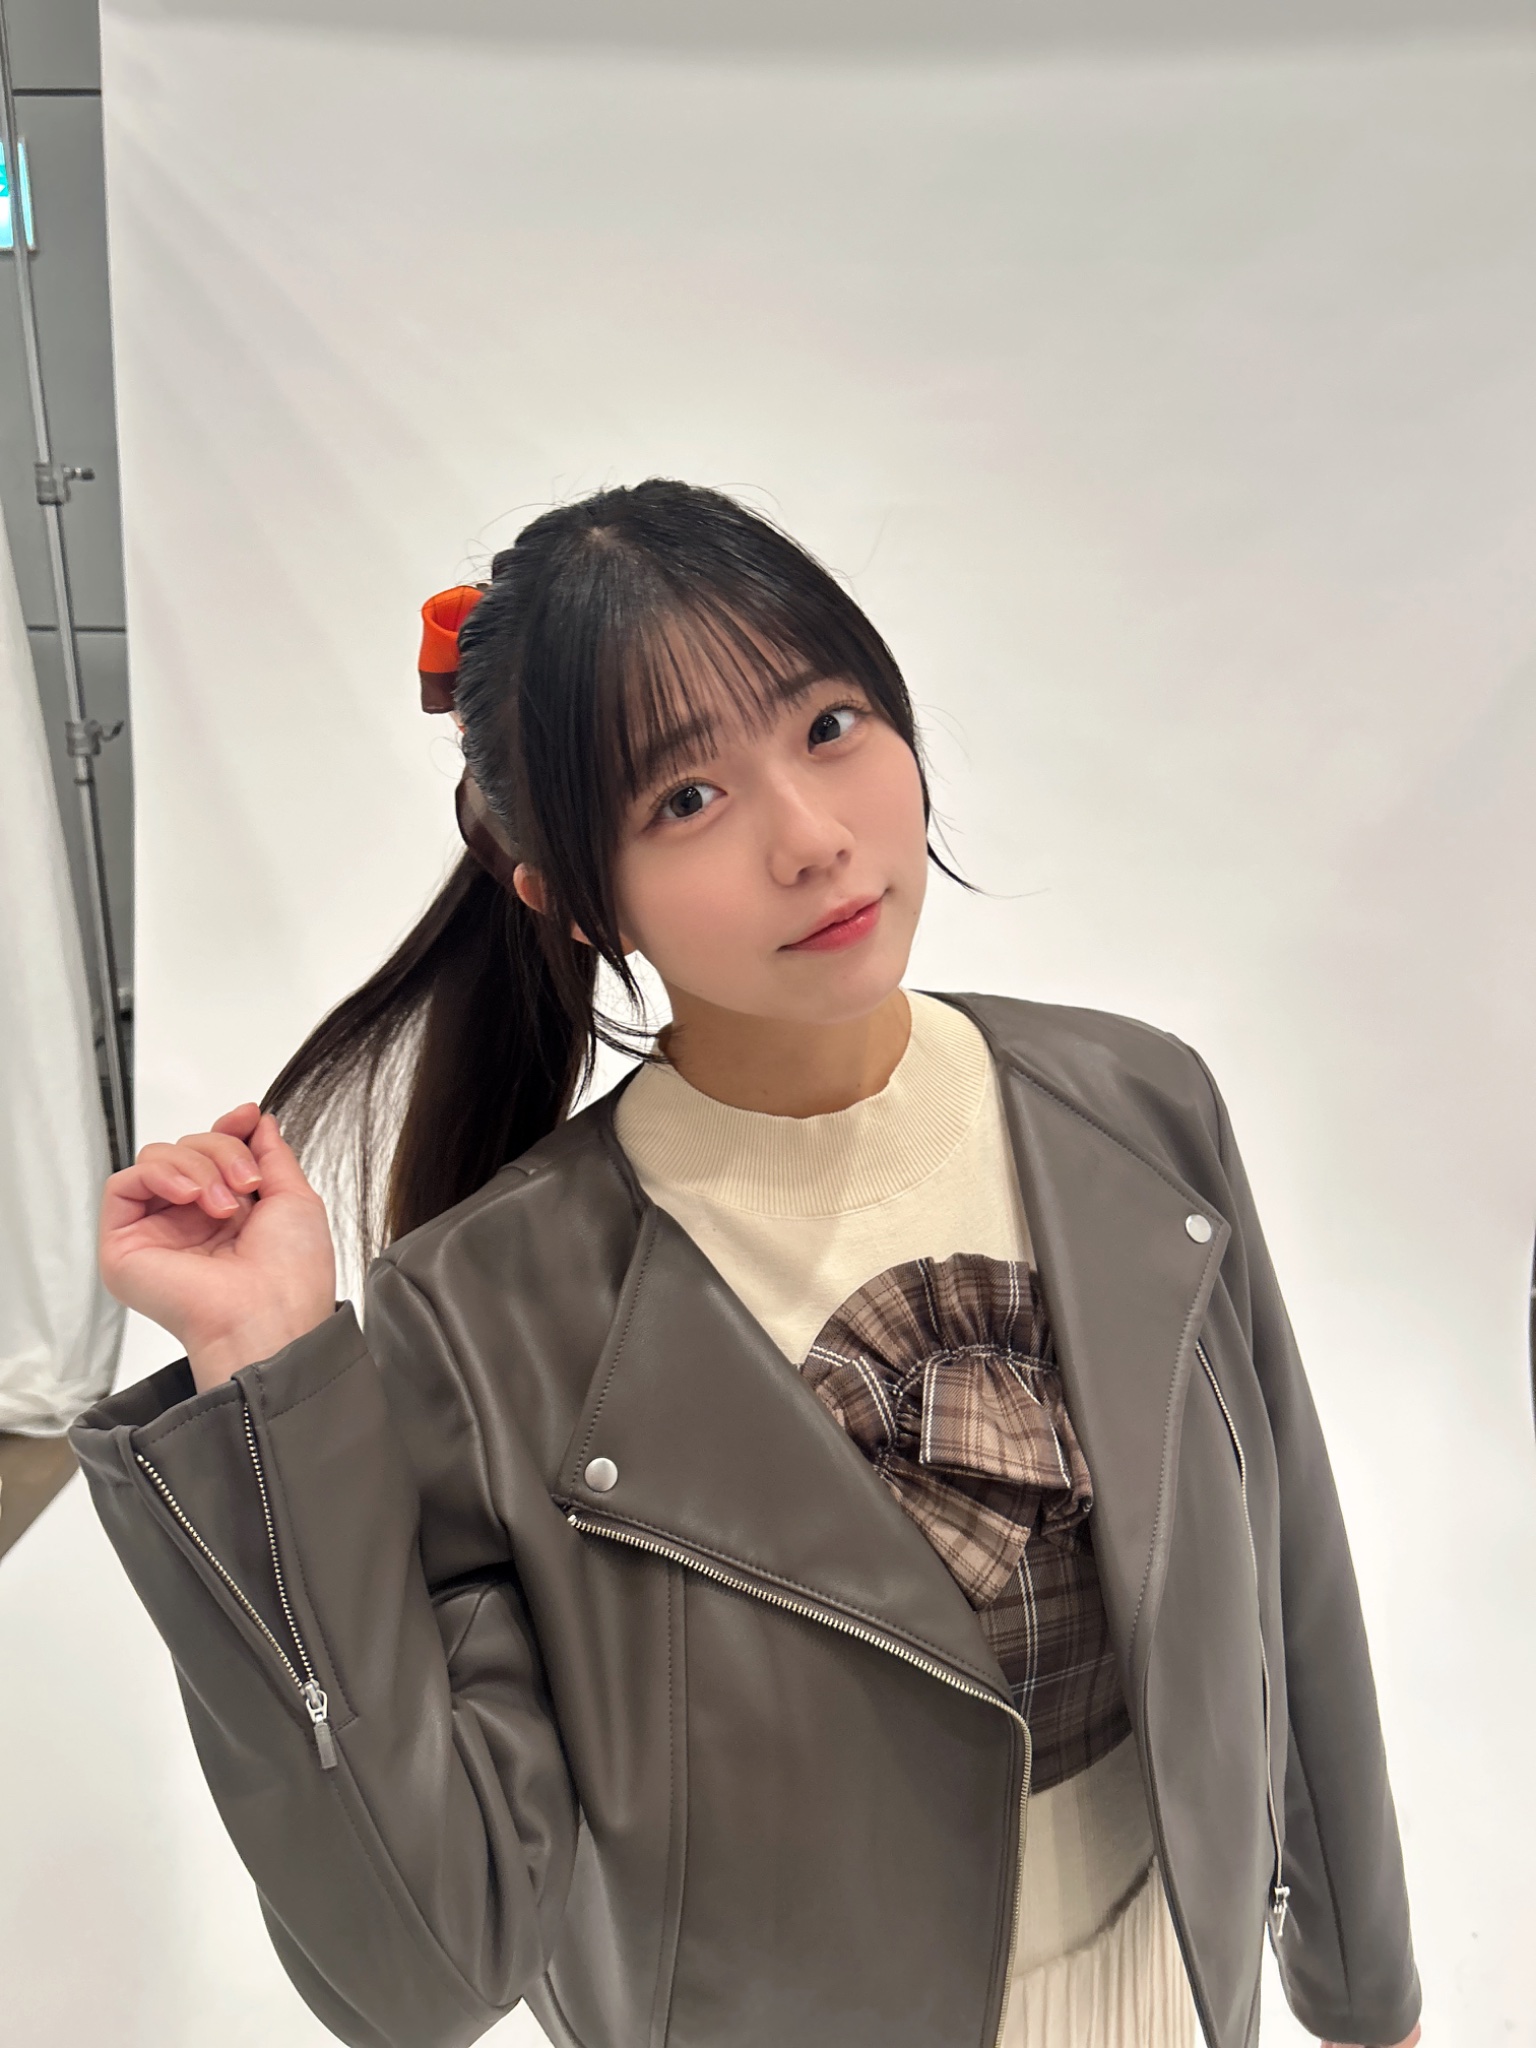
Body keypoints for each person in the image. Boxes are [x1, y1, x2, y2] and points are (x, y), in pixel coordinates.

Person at [78, 480, 1422, 2048]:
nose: (812, 838)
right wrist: (268, 1379)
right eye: (686, 800)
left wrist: (1367, 1994)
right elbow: (425, 1964)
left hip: (1171, 1999)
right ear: (570, 897)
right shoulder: (488, 1308)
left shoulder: (1137, 1106)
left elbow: (1291, 1570)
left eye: (831, 724)